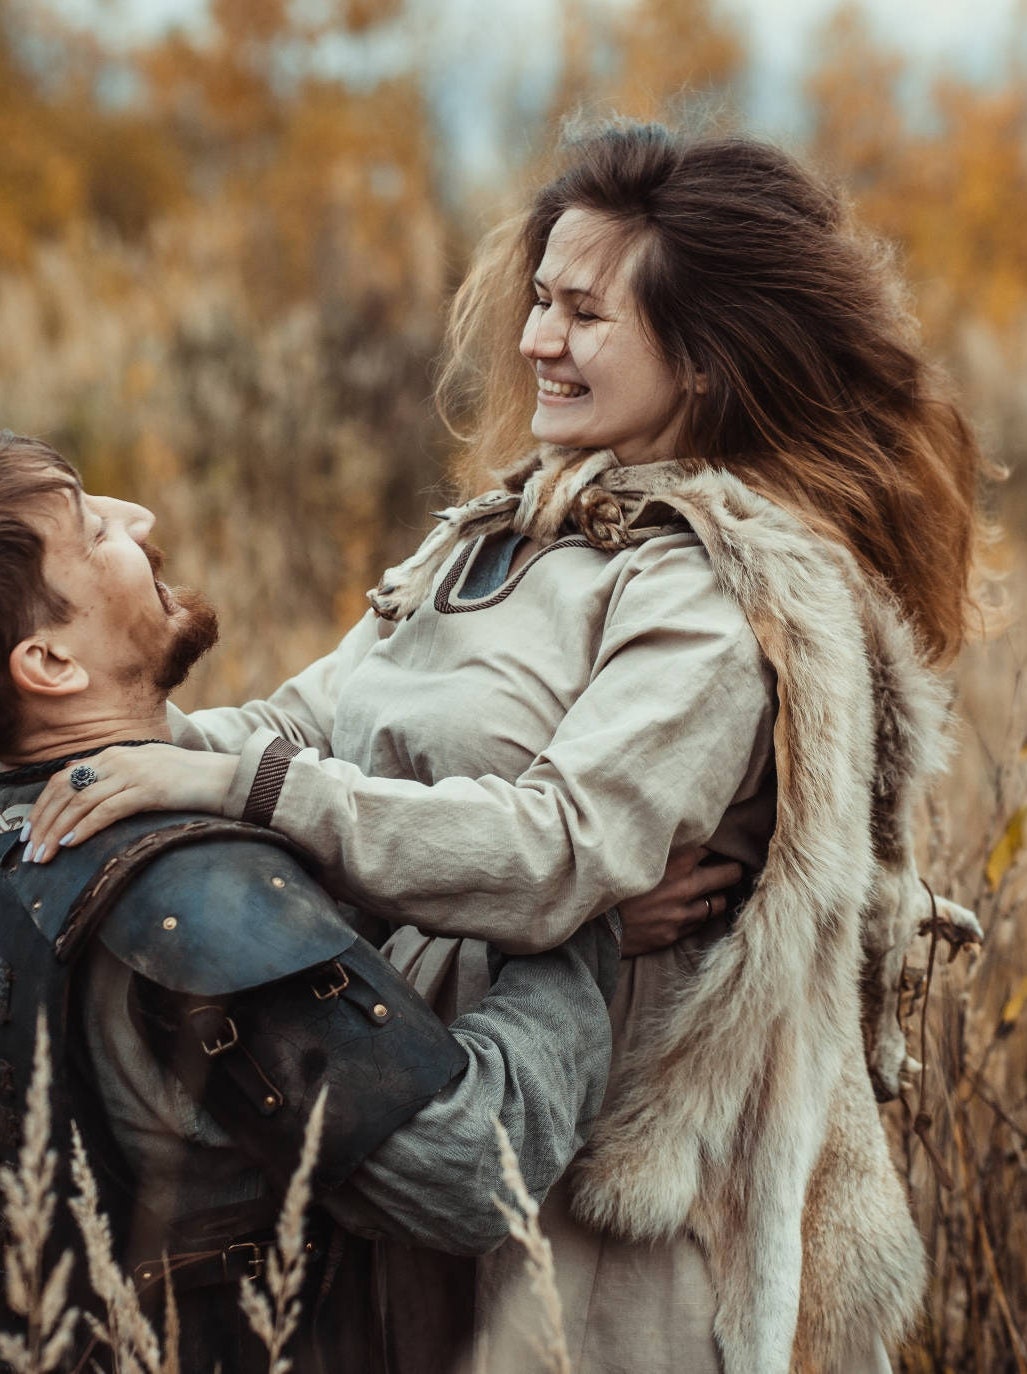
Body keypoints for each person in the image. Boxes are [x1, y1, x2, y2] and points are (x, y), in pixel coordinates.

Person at [24, 123, 986, 1374]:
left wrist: (223, 786)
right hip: (447, 1110)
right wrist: (94, 748)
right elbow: (307, 728)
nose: (537, 341)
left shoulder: (718, 592)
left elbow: (562, 851)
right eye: (540, 299)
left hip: (612, 1193)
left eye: (584, 313)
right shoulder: (500, 536)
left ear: (702, 360)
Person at [0, 434, 627, 1371]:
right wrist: (579, 929)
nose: (142, 520)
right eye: (95, 533)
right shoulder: (192, 903)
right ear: (48, 663)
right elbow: (471, 1173)